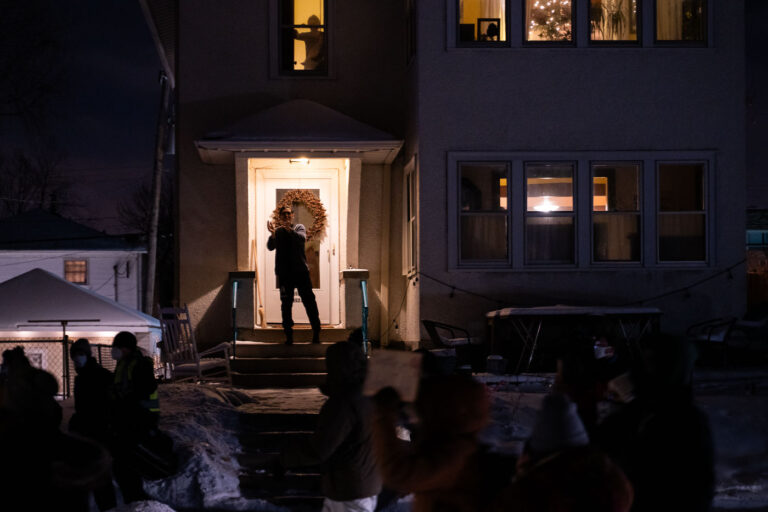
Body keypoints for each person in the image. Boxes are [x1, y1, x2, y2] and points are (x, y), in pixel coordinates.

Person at [279, 341, 381, 511]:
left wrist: (285, 460)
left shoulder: (344, 402)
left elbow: (321, 447)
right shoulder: (368, 395)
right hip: (363, 482)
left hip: (349, 486)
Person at [371, 375, 492, 511]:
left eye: (427, 407)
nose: (418, 414)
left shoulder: (455, 454)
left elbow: (399, 473)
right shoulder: (455, 443)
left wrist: (383, 415)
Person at [109, 331, 159, 503]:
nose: (113, 350)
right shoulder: (123, 363)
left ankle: (135, 496)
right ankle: (132, 493)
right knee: (123, 456)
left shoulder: (139, 364)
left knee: (127, 459)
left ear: (126, 348)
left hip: (142, 417)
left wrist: (128, 399)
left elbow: (145, 389)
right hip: (130, 417)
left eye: (117, 347)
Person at [69, 338, 118, 511]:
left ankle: (107, 507)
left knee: (98, 475)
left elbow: (105, 404)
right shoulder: (82, 376)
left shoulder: (97, 375)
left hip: (98, 430)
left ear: (88, 355)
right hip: (88, 430)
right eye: (74, 355)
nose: (77, 358)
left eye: (80, 354)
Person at [268, 204, 322, 344]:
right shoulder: (278, 231)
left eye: (288, 214)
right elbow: (270, 247)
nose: (286, 216)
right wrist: (273, 235)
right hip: (284, 274)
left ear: (292, 215)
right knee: (286, 305)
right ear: (280, 216)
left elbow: (301, 239)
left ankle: (316, 332)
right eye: (284, 214)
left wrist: (287, 230)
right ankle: (289, 336)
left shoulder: (299, 228)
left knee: (309, 302)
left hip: (301, 273)